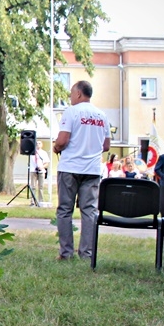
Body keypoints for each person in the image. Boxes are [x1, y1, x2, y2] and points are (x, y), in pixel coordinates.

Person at [53, 80, 110, 261]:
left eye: (71, 93)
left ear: (78, 93)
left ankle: (66, 253)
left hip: (70, 167)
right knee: (89, 211)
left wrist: (56, 148)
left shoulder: (71, 112)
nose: (70, 97)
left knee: (64, 210)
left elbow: (63, 140)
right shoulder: (102, 115)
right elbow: (106, 145)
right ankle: (87, 253)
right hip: (92, 169)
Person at [29, 140, 50, 204]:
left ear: (42, 145)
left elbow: (47, 163)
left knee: (41, 186)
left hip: (41, 171)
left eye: (39, 143)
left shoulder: (44, 153)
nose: (38, 144)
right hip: (33, 171)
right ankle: (32, 201)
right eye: (37, 143)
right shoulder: (32, 152)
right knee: (33, 186)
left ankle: (41, 201)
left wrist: (42, 167)